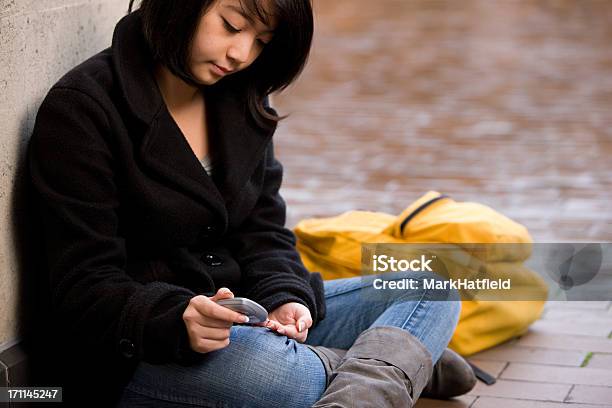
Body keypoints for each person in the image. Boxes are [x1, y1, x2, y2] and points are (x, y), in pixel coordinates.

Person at [27, 0, 475, 406]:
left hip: (251, 318)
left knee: (432, 287)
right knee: (276, 374)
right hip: (147, 348)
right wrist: (175, 317)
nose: (241, 54)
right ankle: (393, 365)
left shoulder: (243, 94)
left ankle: (371, 370)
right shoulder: (84, 108)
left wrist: (286, 297)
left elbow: (265, 230)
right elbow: (82, 283)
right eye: (231, 25)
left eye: (261, 40)